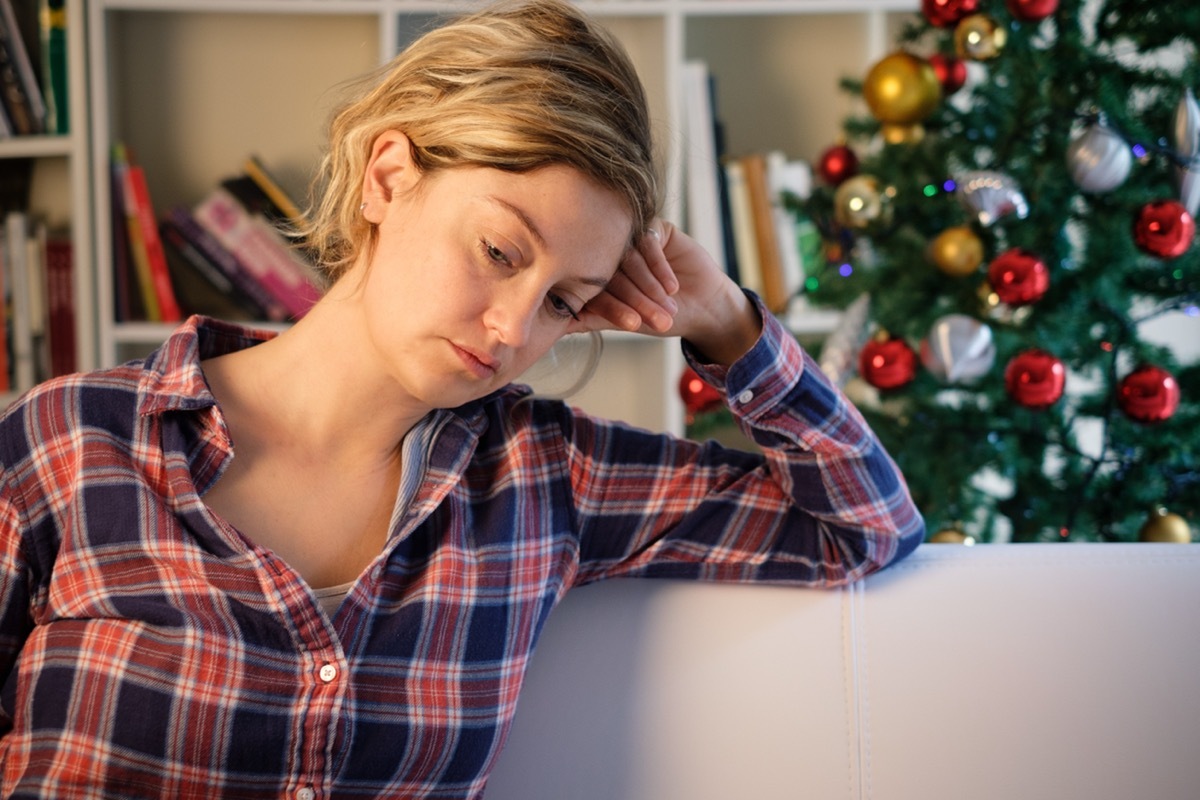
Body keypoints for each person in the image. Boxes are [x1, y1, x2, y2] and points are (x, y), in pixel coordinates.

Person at [0, 0, 924, 797]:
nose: (516, 331)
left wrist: (726, 322)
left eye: (565, 300)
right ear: (388, 177)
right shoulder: (70, 441)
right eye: (499, 253)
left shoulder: (543, 476)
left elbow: (865, 528)